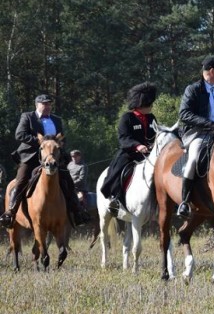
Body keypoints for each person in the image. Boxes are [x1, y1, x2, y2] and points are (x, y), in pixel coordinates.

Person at [0, 94, 89, 228]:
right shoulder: (28, 117)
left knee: (68, 181)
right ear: (37, 105)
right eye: (44, 104)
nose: (47, 106)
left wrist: (58, 144)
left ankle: (77, 212)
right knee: (21, 180)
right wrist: (40, 142)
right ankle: (10, 212)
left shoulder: (56, 119)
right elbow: (19, 134)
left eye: (49, 104)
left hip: (53, 157)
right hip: (31, 157)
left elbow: (62, 138)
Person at [177, 55, 214, 217]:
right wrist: (208, 124)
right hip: (199, 133)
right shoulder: (192, 89)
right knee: (194, 157)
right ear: (212, 71)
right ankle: (185, 202)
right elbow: (184, 114)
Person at [100, 82, 157, 213]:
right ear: (142, 103)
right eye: (150, 103)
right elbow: (123, 138)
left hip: (149, 154)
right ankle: (114, 198)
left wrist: (153, 145)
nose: (152, 106)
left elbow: (155, 134)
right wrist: (137, 146)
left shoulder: (151, 118)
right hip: (129, 154)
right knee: (117, 171)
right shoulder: (127, 118)